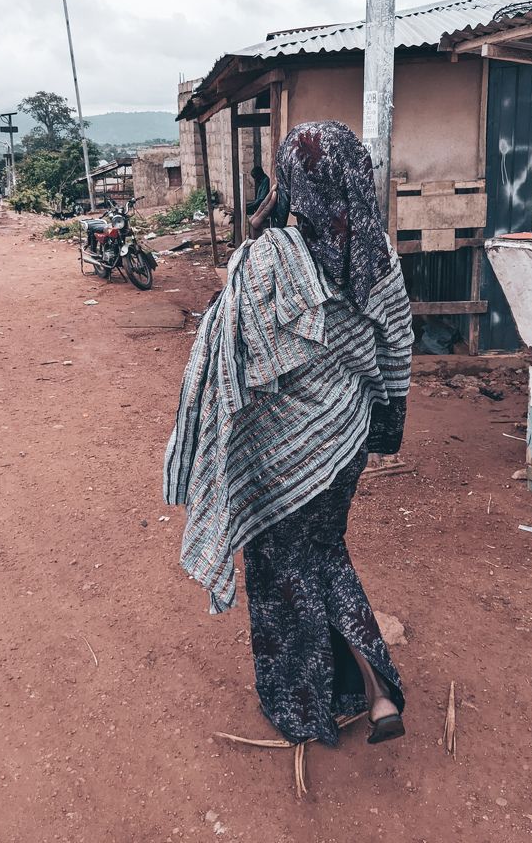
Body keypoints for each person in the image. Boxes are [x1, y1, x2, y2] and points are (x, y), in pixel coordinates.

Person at [164, 120, 413, 747]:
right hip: (345, 441)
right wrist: (384, 431)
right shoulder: (379, 259)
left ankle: (304, 706)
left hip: (281, 452)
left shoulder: (270, 259)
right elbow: (396, 353)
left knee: (282, 573)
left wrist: (261, 224)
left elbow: (234, 347)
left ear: (292, 183)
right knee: (325, 551)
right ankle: (376, 693)